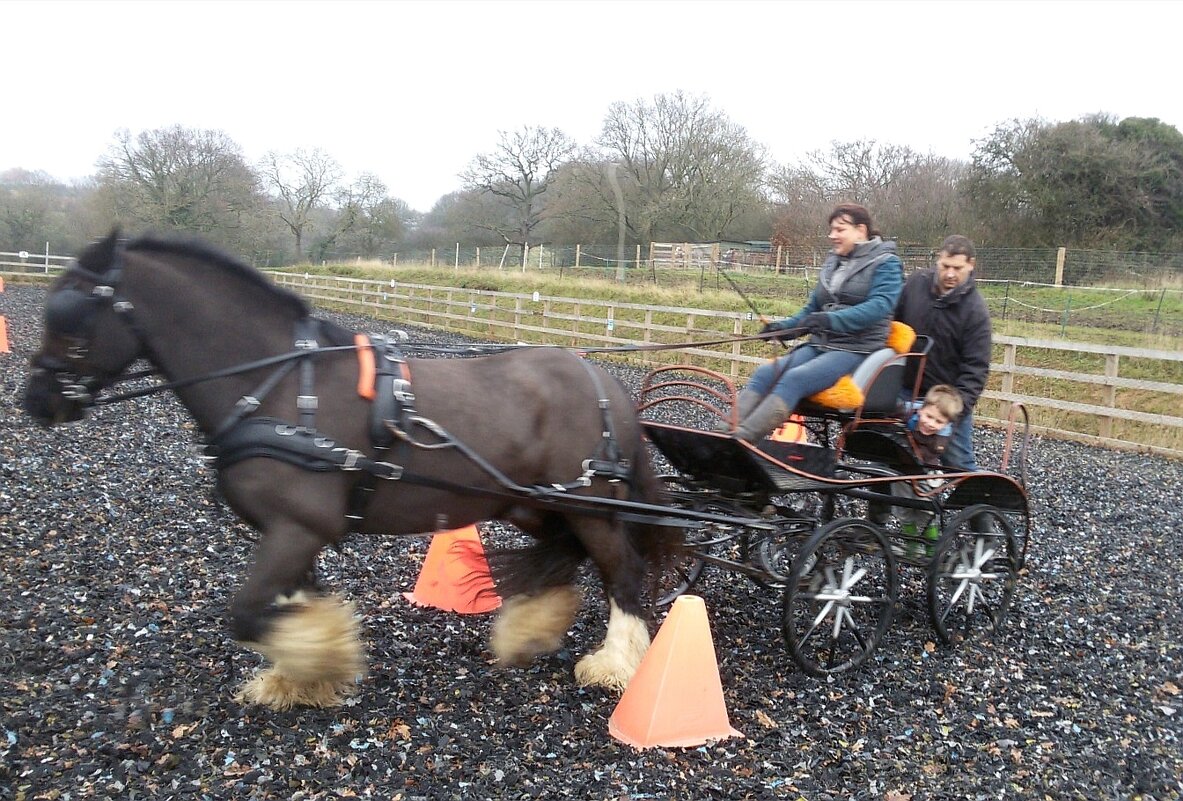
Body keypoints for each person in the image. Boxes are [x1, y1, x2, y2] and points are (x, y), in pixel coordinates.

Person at [731, 203, 904, 442]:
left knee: (795, 378)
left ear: (861, 230)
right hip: (821, 344)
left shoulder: (887, 263)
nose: (832, 235)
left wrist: (830, 320)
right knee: (765, 373)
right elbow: (814, 308)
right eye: (831, 229)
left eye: (839, 229)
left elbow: (879, 306)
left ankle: (742, 440)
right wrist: (784, 328)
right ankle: (723, 433)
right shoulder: (833, 261)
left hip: (857, 348)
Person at [893, 234, 991, 471]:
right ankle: (888, 508)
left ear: (971, 265)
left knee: (959, 465)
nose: (950, 274)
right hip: (906, 392)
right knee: (894, 460)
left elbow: (976, 368)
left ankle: (979, 507)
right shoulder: (915, 284)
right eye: (945, 266)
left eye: (957, 268)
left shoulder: (975, 311)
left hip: (946, 402)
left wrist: (953, 412)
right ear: (938, 260)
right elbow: (893, 326)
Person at [890, 384, 964, 554]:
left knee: (927, 510)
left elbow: (933, 449)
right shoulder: (910, 415)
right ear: (921, 410)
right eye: (929, 416)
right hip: (902, 471)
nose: (930, 424)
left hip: (926, 472)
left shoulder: (941, 437)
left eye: (938, 422)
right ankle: (912, 544)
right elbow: (897, 409)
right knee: (902, 509)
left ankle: (932, 548)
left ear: (946, 424)